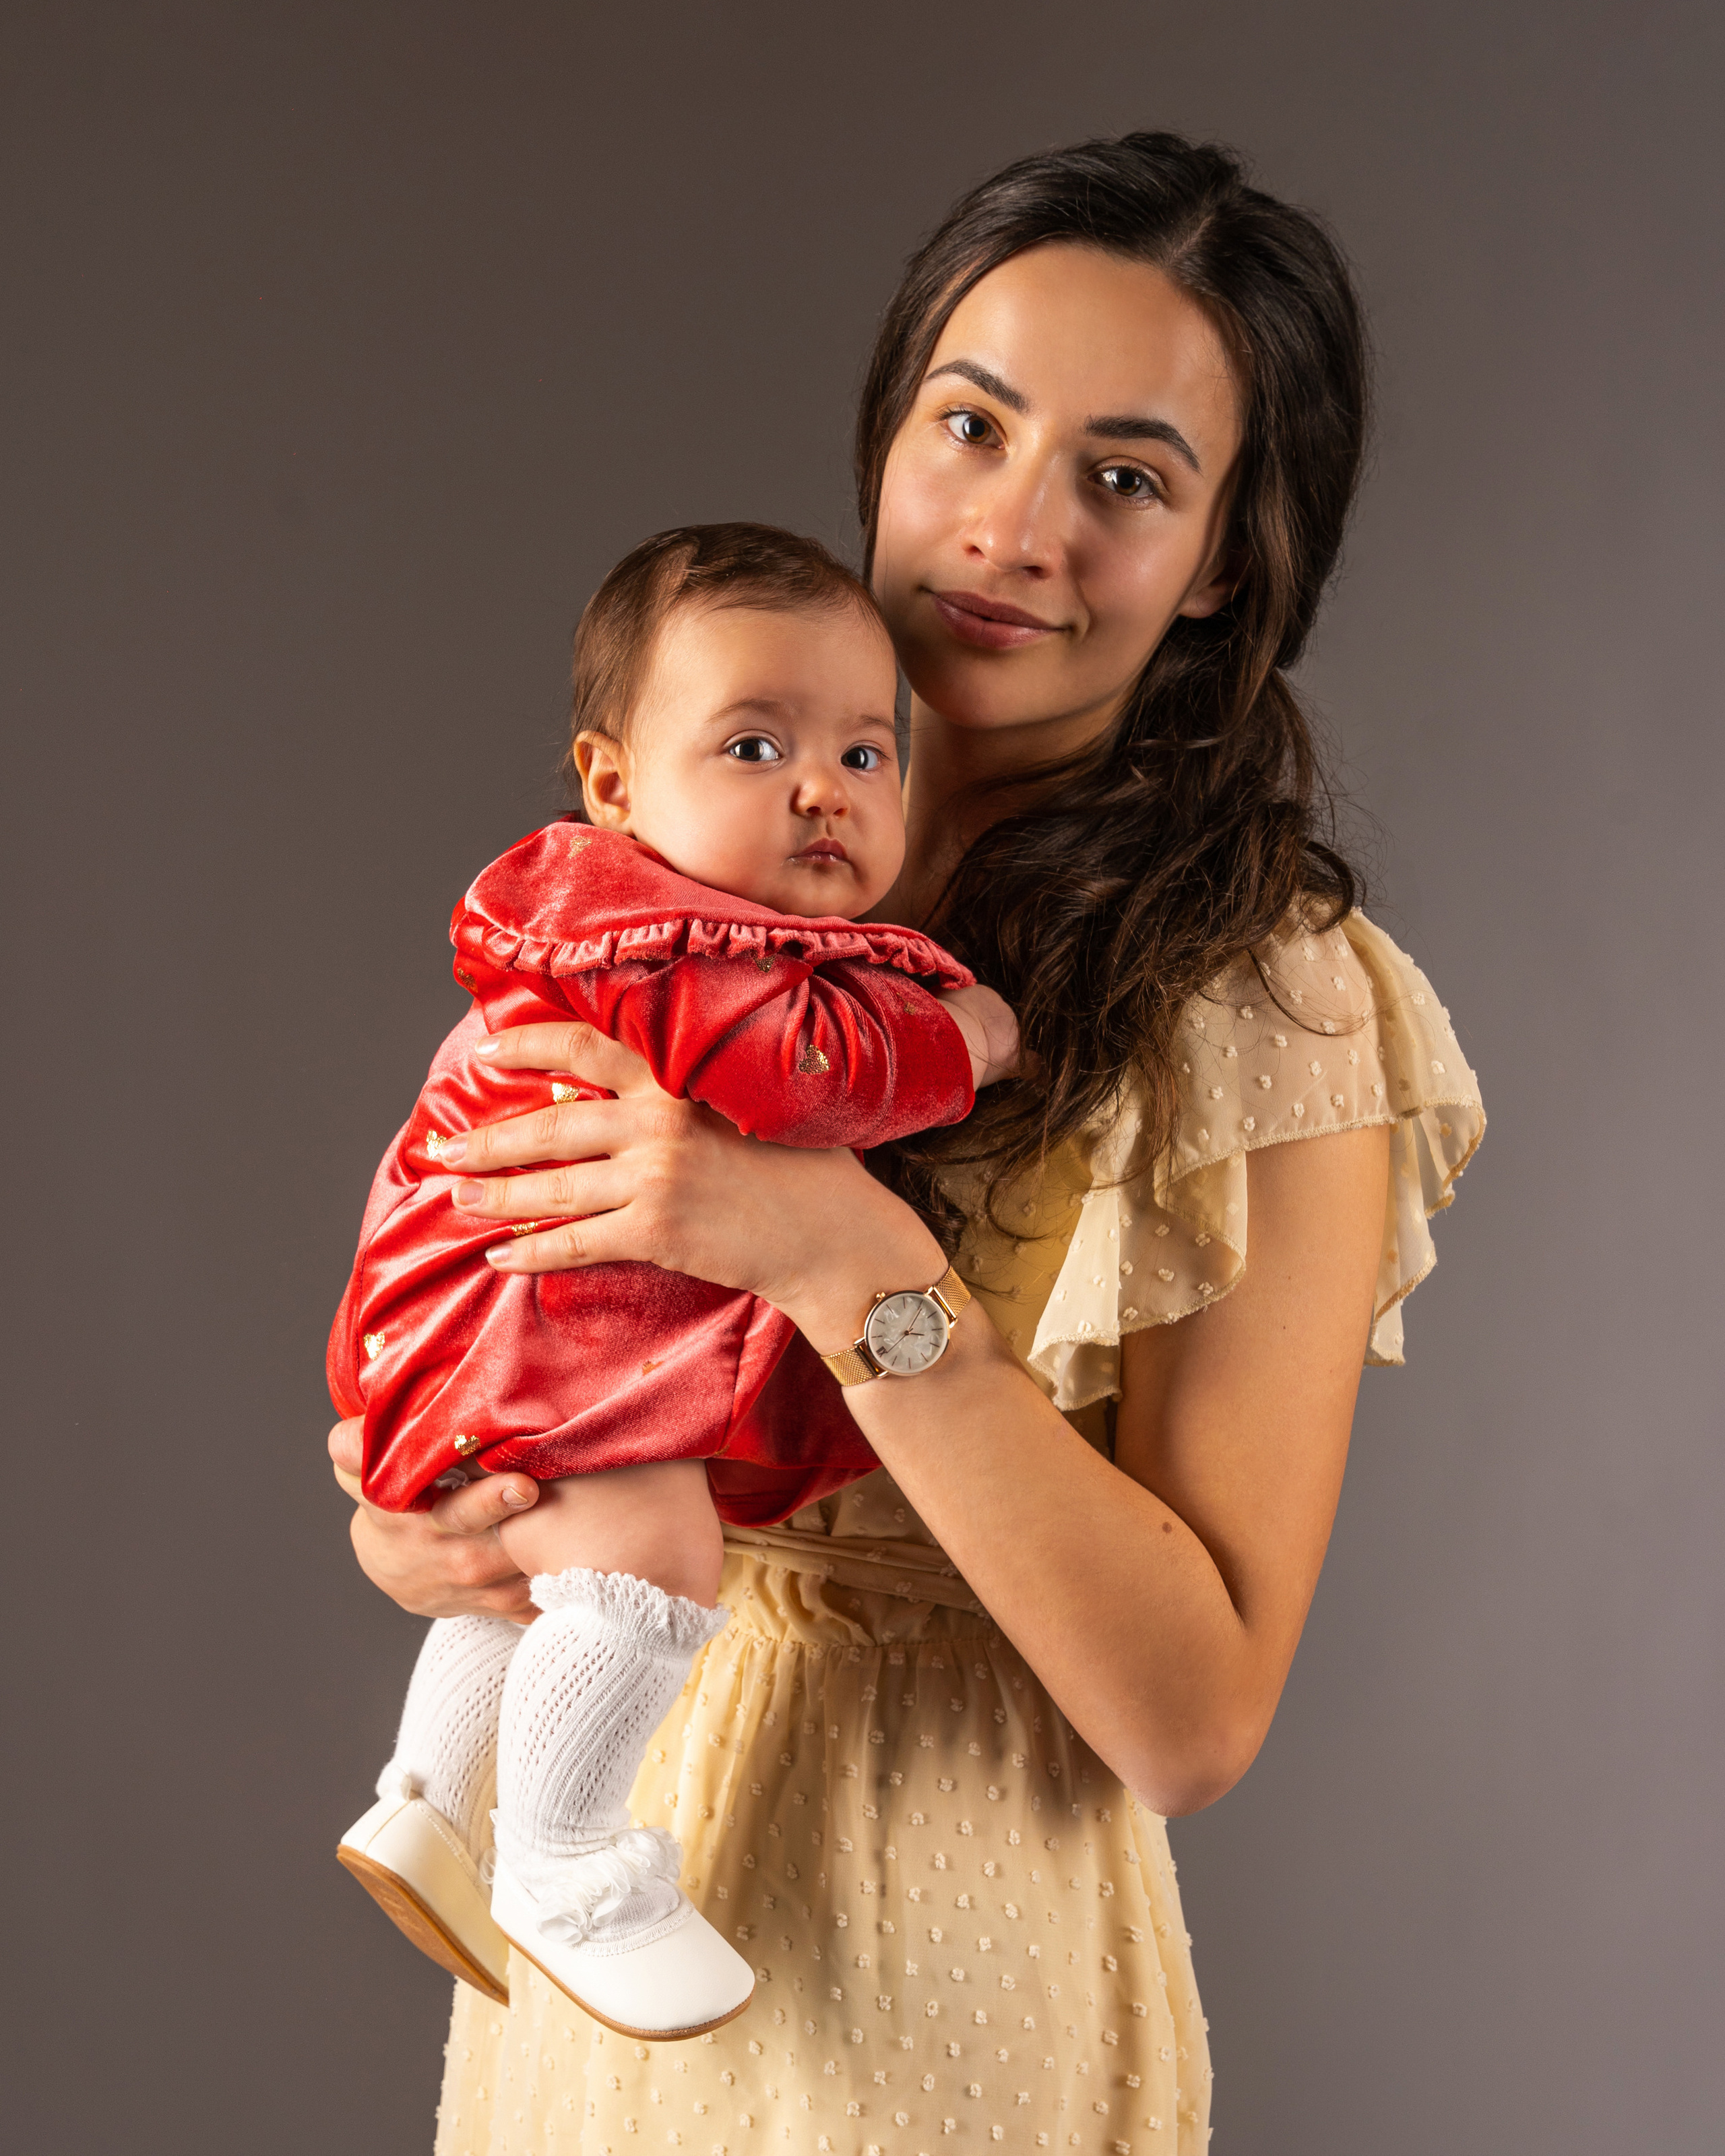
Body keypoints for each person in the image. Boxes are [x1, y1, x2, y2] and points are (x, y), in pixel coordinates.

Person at [328, 131, 1484, 2151]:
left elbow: (1196, 1717)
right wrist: (425, 1527)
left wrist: (837, 1251)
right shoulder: (693, 863)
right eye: (973, 425)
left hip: (941, 1957)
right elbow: (505, 1311)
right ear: (887, 430)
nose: (1014, 528)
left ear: (1222, 560)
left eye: (1124, 480)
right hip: (601, 1910)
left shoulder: (1276, 995)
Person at [330, 524, 1018, 2038]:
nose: (820, 787)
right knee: (645, 1554)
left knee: (526, 1586)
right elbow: (800, 1076)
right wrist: (962, 1041)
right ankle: (563, 1859)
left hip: (495, 1323)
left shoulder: (643, 916)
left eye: (863, 748)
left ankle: (436, 1802)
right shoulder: (659, 934)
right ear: (612, 782)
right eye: (755, 743)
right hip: (542, 1325)